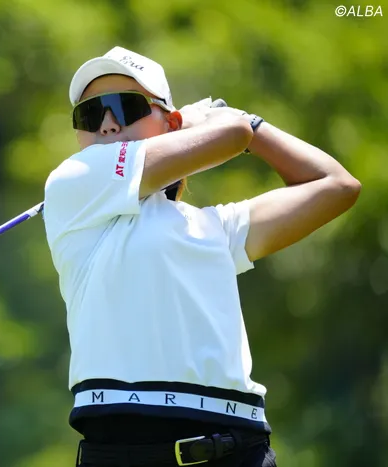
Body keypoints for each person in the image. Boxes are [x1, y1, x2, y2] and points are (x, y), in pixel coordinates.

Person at [42, 46, 361, 467]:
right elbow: (232, 134)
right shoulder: (72, 182)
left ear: (171, 123)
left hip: (240, 450)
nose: (107, 124)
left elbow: (336, 185)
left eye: (126, 106)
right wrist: (221, 123)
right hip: (123, 451)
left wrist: (250, 125)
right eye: (89, 114)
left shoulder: (216, 228)